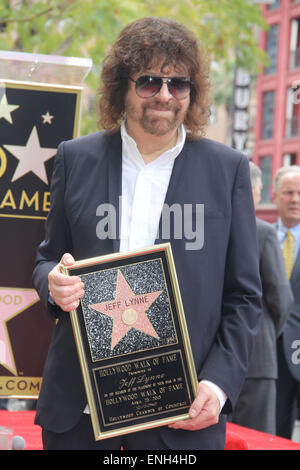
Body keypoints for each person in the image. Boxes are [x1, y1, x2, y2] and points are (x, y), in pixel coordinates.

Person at [32, 17, 262, 450]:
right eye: (150, 81)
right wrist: (53, 284)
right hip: (79, 413)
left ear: (192, 93)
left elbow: (244, 296)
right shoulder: (74, 158)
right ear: (122, 85)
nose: (164, 95)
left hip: (180, 413)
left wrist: (216, 384)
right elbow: (48, 258)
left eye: (178, 84)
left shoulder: (226, 169)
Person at [231, 162, 292, 434]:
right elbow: (282, 298)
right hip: (258, 356)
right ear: (257, 191)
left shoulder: (211, 231)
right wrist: (266, 334)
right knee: (256, 437)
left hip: (216, 358)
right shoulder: (263, 232)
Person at [273, 165, 300, 439]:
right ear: (275, 196)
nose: (295, 199)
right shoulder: (258, 237)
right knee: (278, 426)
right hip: (272, 350)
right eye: (289, 192)